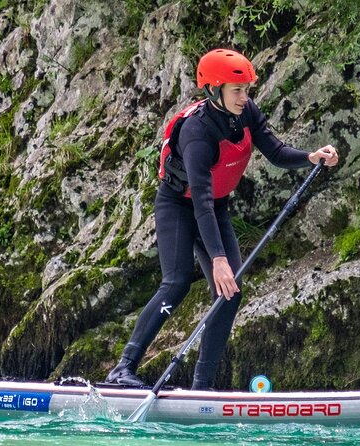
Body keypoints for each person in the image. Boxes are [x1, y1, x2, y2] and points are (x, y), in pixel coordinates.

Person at [106, 48, 339, 390]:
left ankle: (203, 386)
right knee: (178, 282)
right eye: (237, 90)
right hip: (180, 207)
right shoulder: (197, 134)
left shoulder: (245, 111)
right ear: (215, 90)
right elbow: (199, 198)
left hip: (215, 207)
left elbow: (275, 152)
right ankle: (122, 369)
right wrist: (217, 260)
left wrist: (310, 157)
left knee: (230, 293)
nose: (245, 97)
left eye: (246, 90)